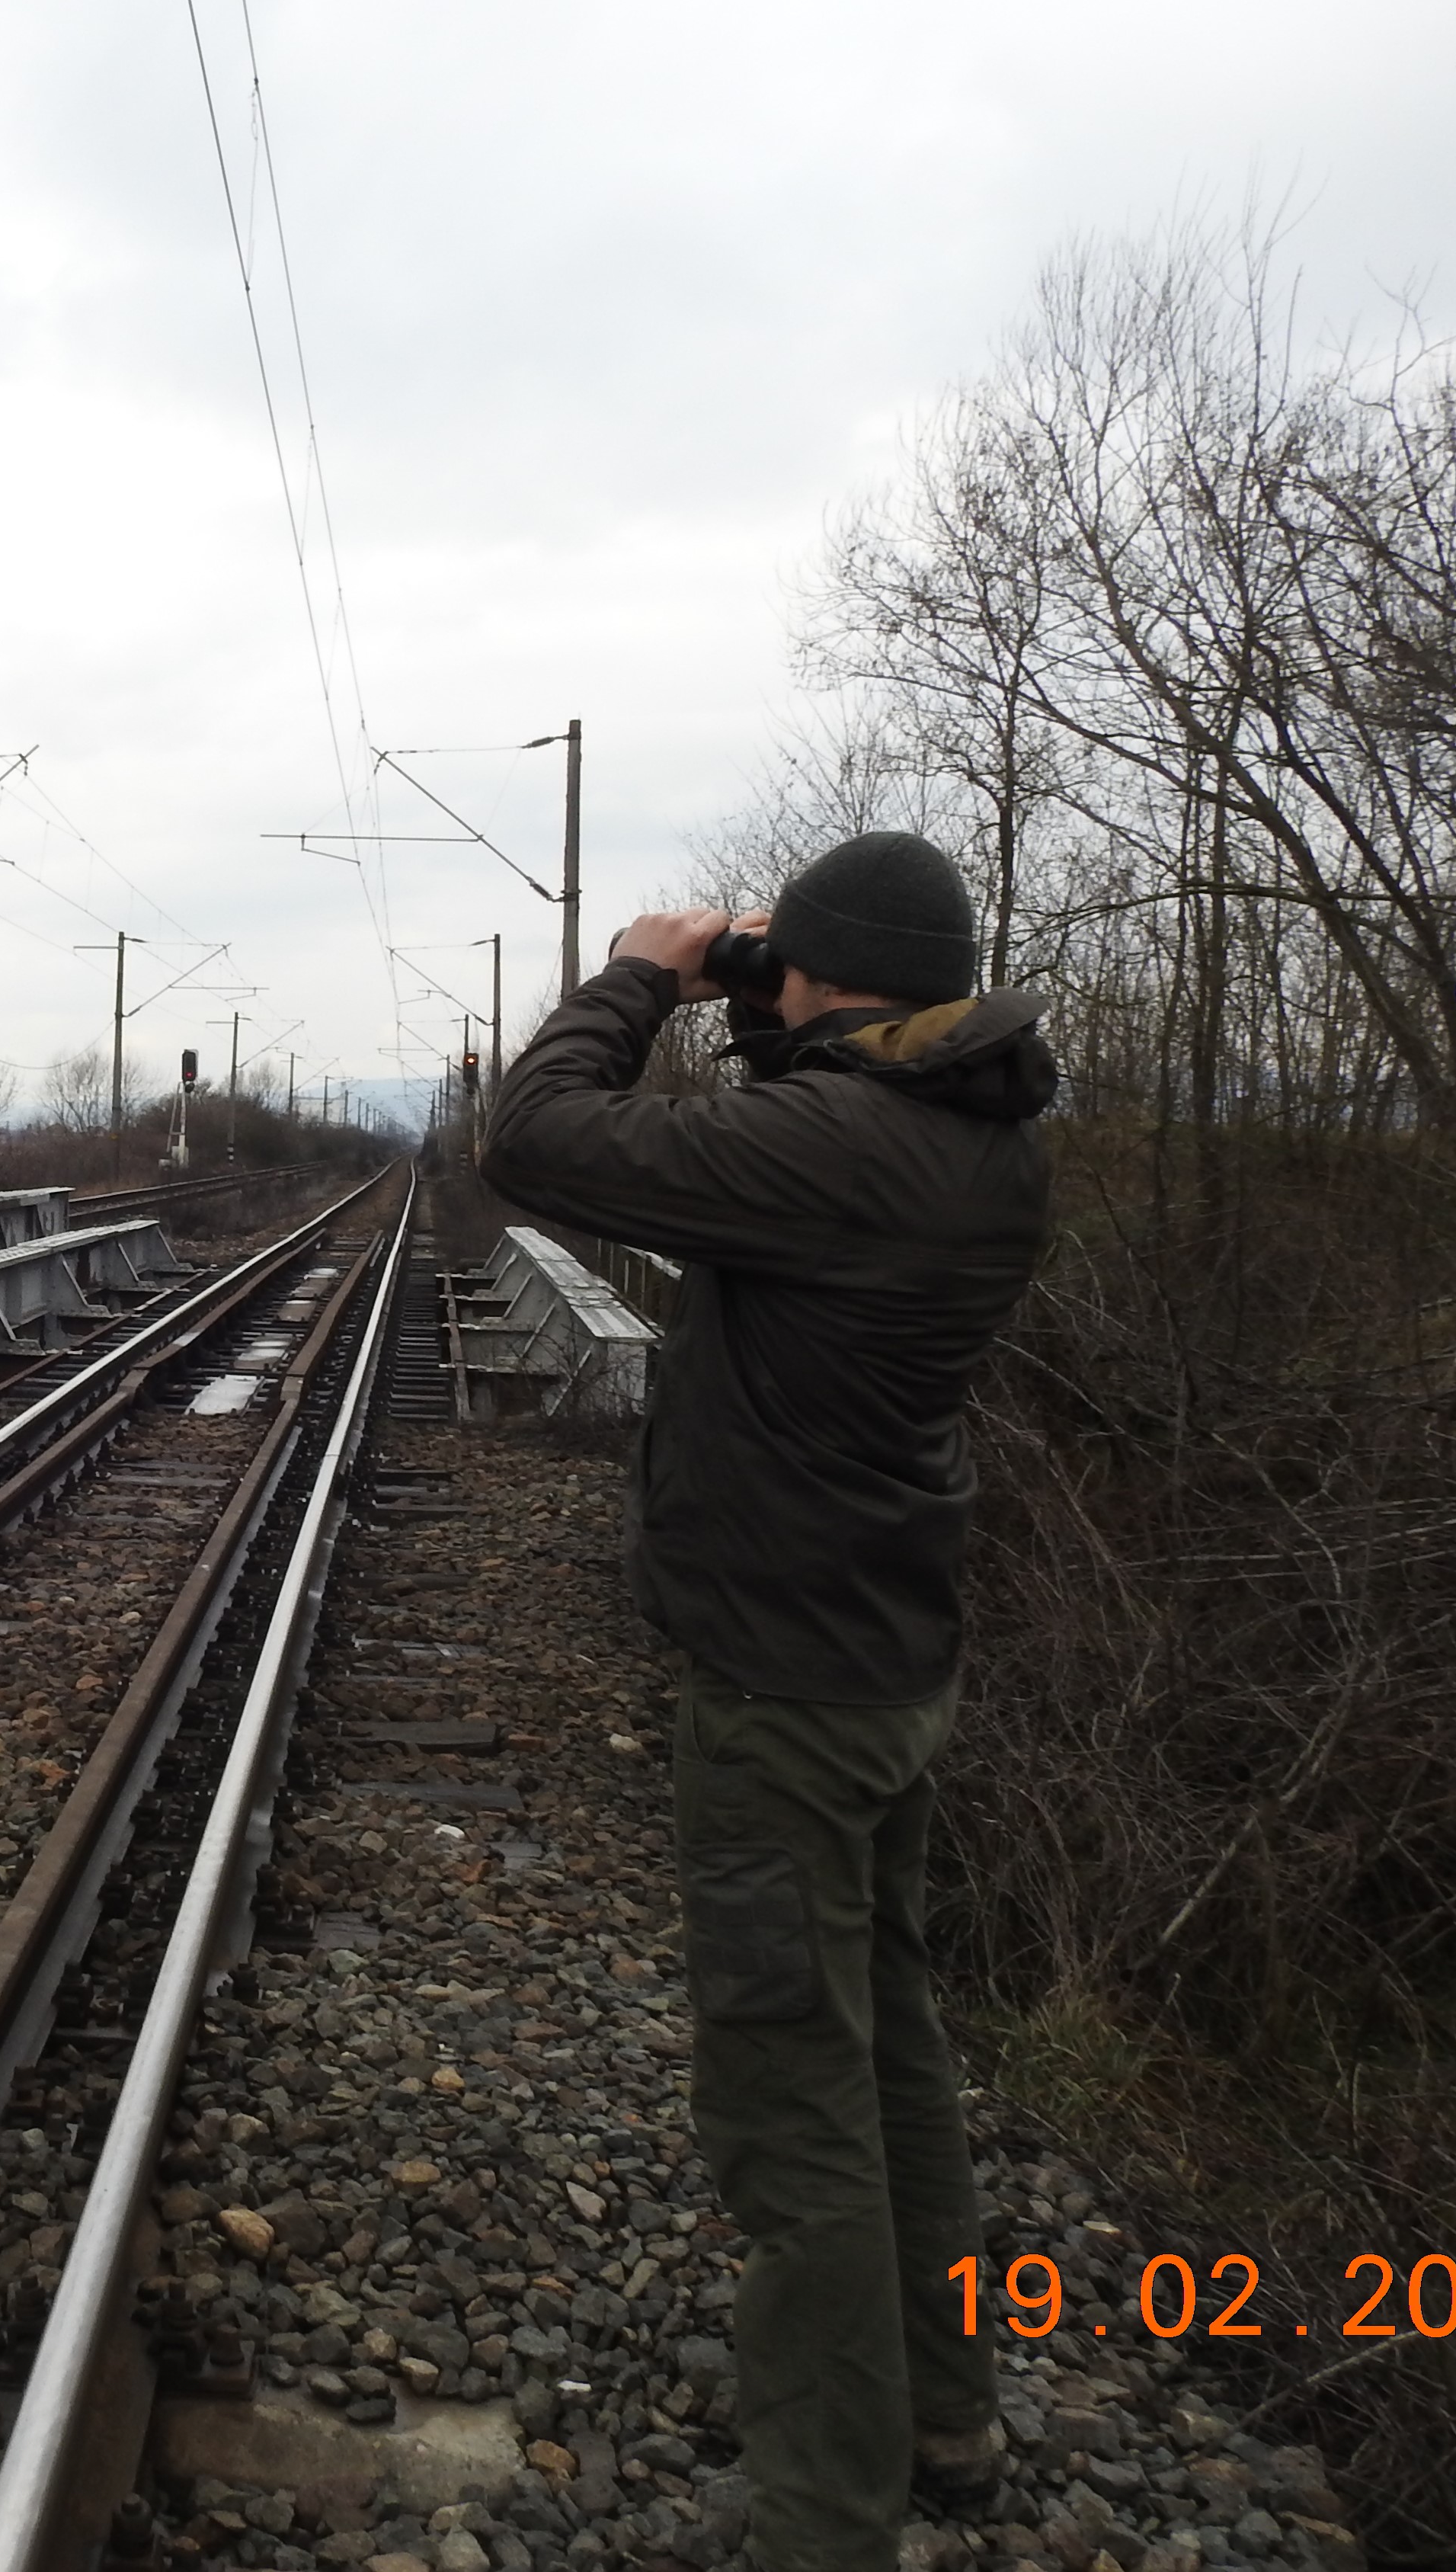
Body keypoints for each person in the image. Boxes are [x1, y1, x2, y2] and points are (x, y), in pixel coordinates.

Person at [475, 831, 1058, 2572]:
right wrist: (768, 983)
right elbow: (824, 1063)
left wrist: (648, 973)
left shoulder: (835, 1147)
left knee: (792, 2102)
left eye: (782, 969)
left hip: (789, 1699)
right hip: (887, 1666)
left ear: (822, 980)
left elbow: (535, 1138)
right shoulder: (977, 1133)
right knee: (894, 2061)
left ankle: (825, 2513)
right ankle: (946, 2415)